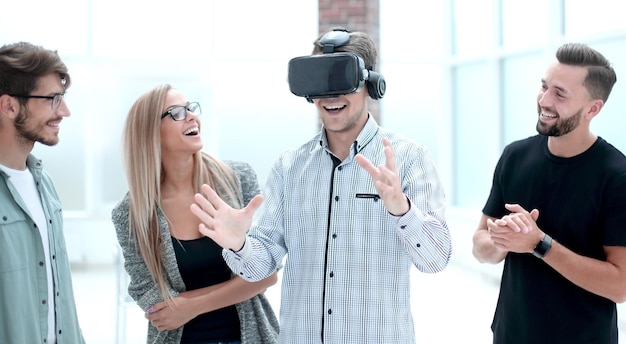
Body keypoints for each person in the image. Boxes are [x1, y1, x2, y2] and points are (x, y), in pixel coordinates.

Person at [190, 28, 452, 343]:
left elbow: (436, 259)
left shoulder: (410, 158)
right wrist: (238, 243)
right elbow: (261, 267)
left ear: (370, 84)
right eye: (320, 82)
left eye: (341, 80)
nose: (330, 96)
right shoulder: (289, 166)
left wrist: (402, 210)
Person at [472, 43, 626, 344]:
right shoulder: (514, 156)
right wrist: (503, 240)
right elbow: (480, 246)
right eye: (544, 86)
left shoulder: (616, 176)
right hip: (510, 336)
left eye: (560, 93)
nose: (544, 100)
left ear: (593, 109)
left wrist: (539, 244)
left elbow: (620, 285)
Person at [111, 84, 279, 344]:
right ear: (150, 132)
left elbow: (267, 272)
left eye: (191, 108)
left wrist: (190, 307)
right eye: (176, 112)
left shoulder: (238, 178)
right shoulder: (131, 213)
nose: (191, 116)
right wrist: (238, 287)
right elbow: (152, 301)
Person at [0, 42, 85, 344]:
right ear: (9, 106)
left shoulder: (44, 183)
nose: (65, 111)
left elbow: (57, 293)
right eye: (52, 99)